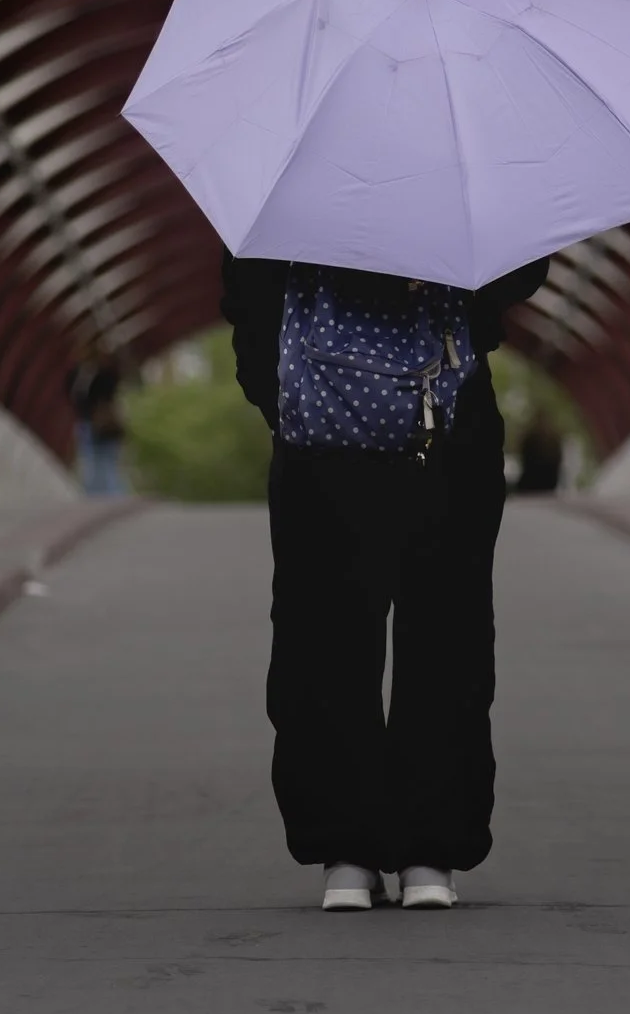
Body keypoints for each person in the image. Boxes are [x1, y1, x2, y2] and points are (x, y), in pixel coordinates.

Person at [222, 253, 549, 914]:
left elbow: (246, 295)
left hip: (320, 434)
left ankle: (345, 853)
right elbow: (516, 273)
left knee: (324, 637)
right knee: (446, 633)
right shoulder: (466, 160)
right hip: (448, 430)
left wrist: (282, 396)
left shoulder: (286, 164)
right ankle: (431, 850)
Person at [68, 360, 127, 496]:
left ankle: (110, 494)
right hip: (89, 425)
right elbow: (73, 395)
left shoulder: (106, 374)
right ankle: (97, 493)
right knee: (91, 461)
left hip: (105, 428)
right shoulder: (77, 374)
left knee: (107, 461)